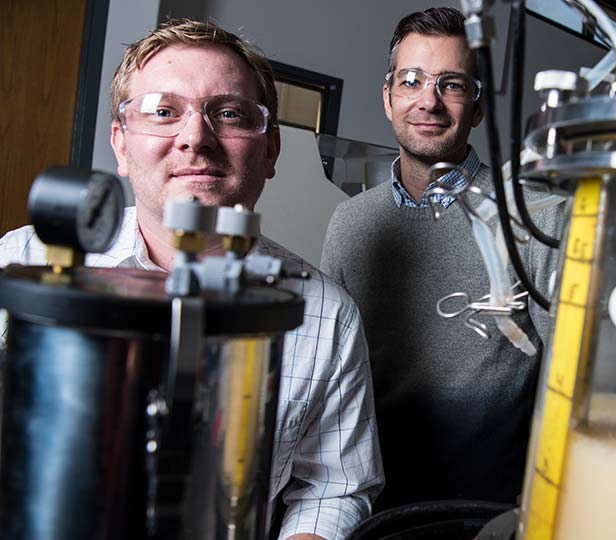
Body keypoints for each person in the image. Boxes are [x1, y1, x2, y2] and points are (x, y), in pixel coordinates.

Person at [0, 19, 383, 540]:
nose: (195, 138)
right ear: (121, 143)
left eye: (228, 113)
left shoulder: (325, 313)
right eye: (163, 112)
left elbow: (334, 487)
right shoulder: (22, 259)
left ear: (270, 150)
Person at [321, 7, 562, 510]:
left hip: (481, 514)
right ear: (388, 97)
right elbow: (333, 376)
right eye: (411, 80)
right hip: (364, 505)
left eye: (452, 85)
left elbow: (567, 384)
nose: (428, 101)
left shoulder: (537, 217)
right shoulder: (351, 223)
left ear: (476, 109)